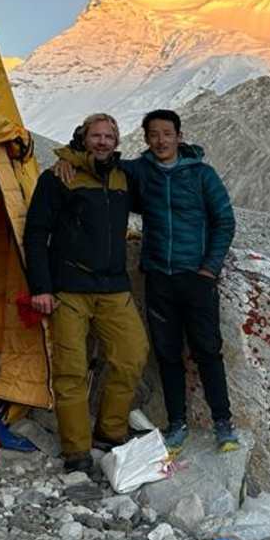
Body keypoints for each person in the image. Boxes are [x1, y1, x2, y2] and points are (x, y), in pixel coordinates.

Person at [54, 109, 238, 453]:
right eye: (154, 134)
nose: (161, 140)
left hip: (196, 276)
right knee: (167, 353)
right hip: (158, 276)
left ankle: (223, 423)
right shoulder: (140, 171)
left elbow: (224, 221)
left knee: (207, 350)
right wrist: (67, 159)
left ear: (179, 136)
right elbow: (98, 158)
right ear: (146, 138)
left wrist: (209, 269)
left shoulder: (202, 175)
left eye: (167, 134)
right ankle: (177, 424)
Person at [24, 113, 149, 473]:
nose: (103, 141)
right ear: (83, 137)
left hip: (113, 287)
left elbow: (159, 174)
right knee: (71, 370)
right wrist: (41, 287)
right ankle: (76, 450)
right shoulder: (58, 177)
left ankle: (110, 431)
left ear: (117, 141)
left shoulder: (125, 176)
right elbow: (36, 232)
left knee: (132, 355)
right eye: (96, 135)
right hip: (69, 288)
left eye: (109, 136)